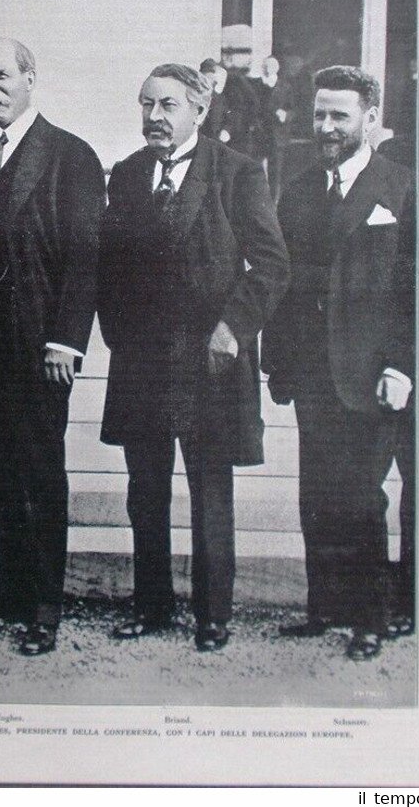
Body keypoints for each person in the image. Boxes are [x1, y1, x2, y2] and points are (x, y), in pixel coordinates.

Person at [98, 64, 289, 651]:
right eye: (146, 104)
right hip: (142, 365)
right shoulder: (128, 174)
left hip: (209, 365)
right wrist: (119, 335)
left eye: (168, 106)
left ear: (200, 111)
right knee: (145, 492)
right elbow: (109, 264)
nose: (154, 116)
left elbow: (272, 264)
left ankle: (213, 615)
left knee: (210, 493)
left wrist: (232, 329)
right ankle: (151, 606)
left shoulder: (237, 173)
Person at [0, 38, 106, 656]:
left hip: (40, 351)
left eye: (1, 76)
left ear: (31, 79)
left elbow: (86, 258)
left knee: (39, 475)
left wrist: (66, 340)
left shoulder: (70, 157)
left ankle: (44, 606)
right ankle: (12, 586)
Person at [262, 65, 415, 660]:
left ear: (370, 119)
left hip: (371, 374)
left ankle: (371, 618)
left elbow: (413, 290)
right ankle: (323, 607)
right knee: (317, 494)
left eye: (339, 116)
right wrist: (278, 363)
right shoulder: (300, 189)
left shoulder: (400, 188)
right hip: (312, 371)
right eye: (319, 114)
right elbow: (282, 280)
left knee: (361, 497)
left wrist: (401, 367)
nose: (326, 127)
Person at [199, 28, 260, 157]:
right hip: (212, 134)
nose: (226, 57)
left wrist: (230, 129)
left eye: (230, 53)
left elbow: (250, 106)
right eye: (224, 52)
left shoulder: (238, 81)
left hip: (235, 136)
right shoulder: (208, 75)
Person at [250, 56, 295, 202]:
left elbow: (293, 110)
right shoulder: (256, 85)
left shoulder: (285, 87)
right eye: (266, 66)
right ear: (263, 68)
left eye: (271, 66)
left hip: (277, 135)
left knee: (275, 172)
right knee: (255, 168)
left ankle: (273, 202)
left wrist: (285, 115)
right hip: (259, 133)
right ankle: (256, 199)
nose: (268, 69)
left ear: (277, 68)